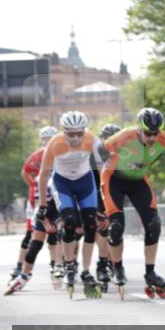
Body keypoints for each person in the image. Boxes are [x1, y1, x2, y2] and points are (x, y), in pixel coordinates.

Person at [37, 111, 111, 299]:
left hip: (85, 183)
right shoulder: (55, 143)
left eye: (80, 133)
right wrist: (43, 204)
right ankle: (70, 264)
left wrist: (108, 199)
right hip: (63, 184)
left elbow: (104, 169)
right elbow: (44, 175)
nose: (76, 137)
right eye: (71, 134)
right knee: (69, 223)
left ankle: (86, 270)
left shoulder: (91, 139)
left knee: (91, 225)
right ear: (64, 131)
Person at [101, 109, 165, 299]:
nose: (152, 138)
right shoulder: (122, 137)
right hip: (113, 180)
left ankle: (150, 272)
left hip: (138, 181)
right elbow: (98, 155)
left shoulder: (163, 142)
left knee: (154, 224)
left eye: (155, 134)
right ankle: (117, 268)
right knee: (116, 227)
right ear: (139, 130)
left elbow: (151, 159)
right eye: (148, 133)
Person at [5, 126, 61, 295]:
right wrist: (44, 220)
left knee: (60, 236)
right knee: (35, 241)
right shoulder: (40, 175)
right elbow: (38, 201)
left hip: (61, 206)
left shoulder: (63, 164)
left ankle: (59, 266)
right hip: (44, 206)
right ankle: (23, 274)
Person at [91, 123, 122, 292]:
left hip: (115, 192)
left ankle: (112, 261)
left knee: (116, 229)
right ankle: (102, 263)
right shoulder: (93, 155)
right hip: (97, 192)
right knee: (102, 229)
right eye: (107, 139)